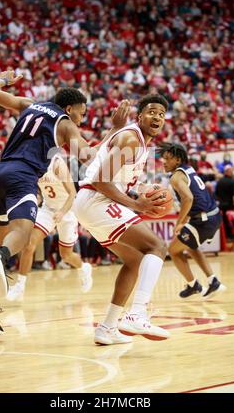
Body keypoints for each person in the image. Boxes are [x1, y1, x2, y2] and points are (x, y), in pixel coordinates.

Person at [0, 69, 129, 335]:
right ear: (69, 108)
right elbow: (88, 158)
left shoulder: (30, 105)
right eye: (82, 112)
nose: (82, 118)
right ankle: (1, 256)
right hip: (23, 176)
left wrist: (6, 80)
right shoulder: (67, 124)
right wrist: (114, 130)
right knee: (21, 233)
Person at [73, 94, 171, 345]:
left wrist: (143, 191)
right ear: (140, 117)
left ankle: (107, 327)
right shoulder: (131, 139)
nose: (157, 116)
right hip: (96, 199)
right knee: (157, 247)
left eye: (161, 113)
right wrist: (137, 204)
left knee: (135, 260)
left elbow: (118, 180)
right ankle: (137, 313)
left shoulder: (141, 145)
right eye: (151, 111)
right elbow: (100, 179)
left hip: (93, 202)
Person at [7, 152, 92, 301]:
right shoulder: (32, 165)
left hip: (67, 210)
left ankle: (83, 268)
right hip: (47, 209)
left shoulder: (57, 164)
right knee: (29, 245)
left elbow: (72, 194)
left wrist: (62, 212)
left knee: (66, 255)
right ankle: (20, 286)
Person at [160, 143, 226, 299]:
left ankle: (193, 285)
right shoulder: (189, 169)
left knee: (173, 251)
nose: (163, 162)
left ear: (177, 160)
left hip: (203, 220)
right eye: (163, 158)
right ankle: (213, 281)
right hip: (212, 215)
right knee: (190, 246)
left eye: (167, 159)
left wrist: (179, 222)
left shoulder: (176, 177)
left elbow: (188, 198)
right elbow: (197, 197)